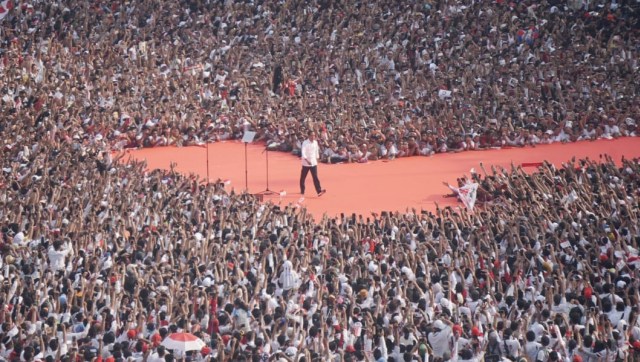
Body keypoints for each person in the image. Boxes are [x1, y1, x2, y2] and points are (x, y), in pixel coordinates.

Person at [299, 130, 326, 196]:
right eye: (311, 135)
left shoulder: (315, 142)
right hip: (306, 163)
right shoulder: (305, 143)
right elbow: (303, 152)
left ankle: (319, 191)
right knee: (303, 177)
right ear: (308, 136)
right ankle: (302, 190)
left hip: (313, 163)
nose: (313, 136)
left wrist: (317, 158)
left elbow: (316, 151)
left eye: (314, 135)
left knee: (315, 177)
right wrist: (307, 160)